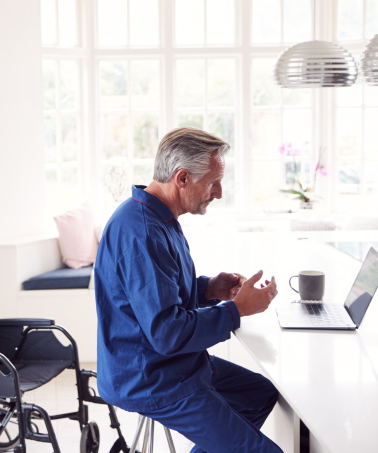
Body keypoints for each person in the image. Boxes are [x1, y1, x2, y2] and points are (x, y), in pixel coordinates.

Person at [94, 127, 282, 452]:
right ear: (182, 178)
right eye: (213, 182)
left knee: (259, 393)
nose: (220, 192)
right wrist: (236, 311)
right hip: (153, 379)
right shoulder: (143, 233)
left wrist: (210, 288)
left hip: (173, 364)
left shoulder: (158, 217)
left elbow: (156, 296)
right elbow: (168, 333)